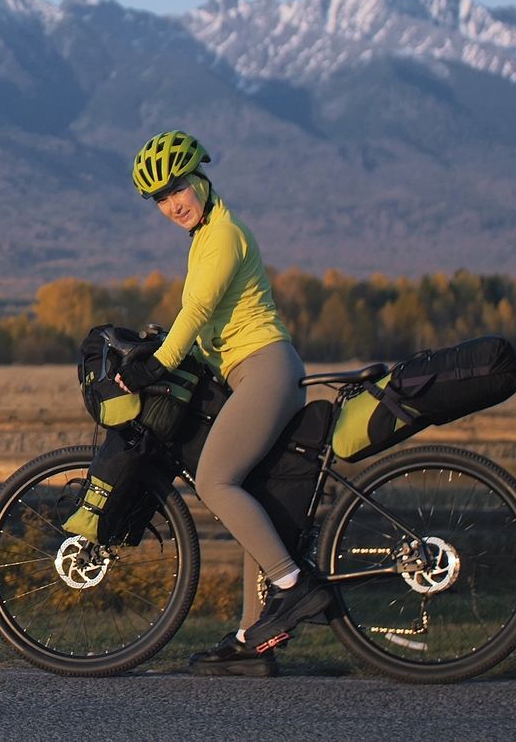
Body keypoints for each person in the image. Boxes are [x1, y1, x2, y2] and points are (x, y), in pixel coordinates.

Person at [116, 130, 331, 677]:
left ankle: (294, 585)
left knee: (216, 481)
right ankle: (253, 641)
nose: (172, 205)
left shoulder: (224, 236)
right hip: (252, 371)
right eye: (160, 199)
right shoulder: (206, 236)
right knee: (252, 498)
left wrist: (155, 364)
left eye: (177, 189)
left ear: (199, 180)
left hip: (265, 370)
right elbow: (201, 318)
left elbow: (198, 311)